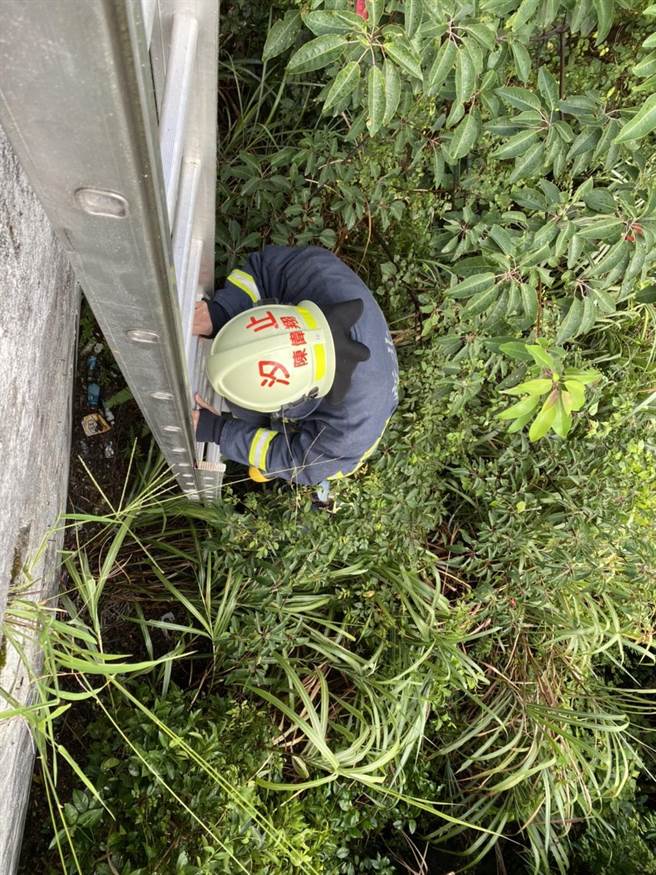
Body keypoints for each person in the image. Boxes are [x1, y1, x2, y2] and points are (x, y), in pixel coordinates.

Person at [192, 245, 398, 486]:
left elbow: (296, 461)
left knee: (269, 463)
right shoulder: (318, 276)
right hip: (370, 373)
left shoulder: (345, 438)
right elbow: (264, 269)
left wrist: (220, 430)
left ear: (307, 395)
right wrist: (220, 312)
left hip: (354, 439)